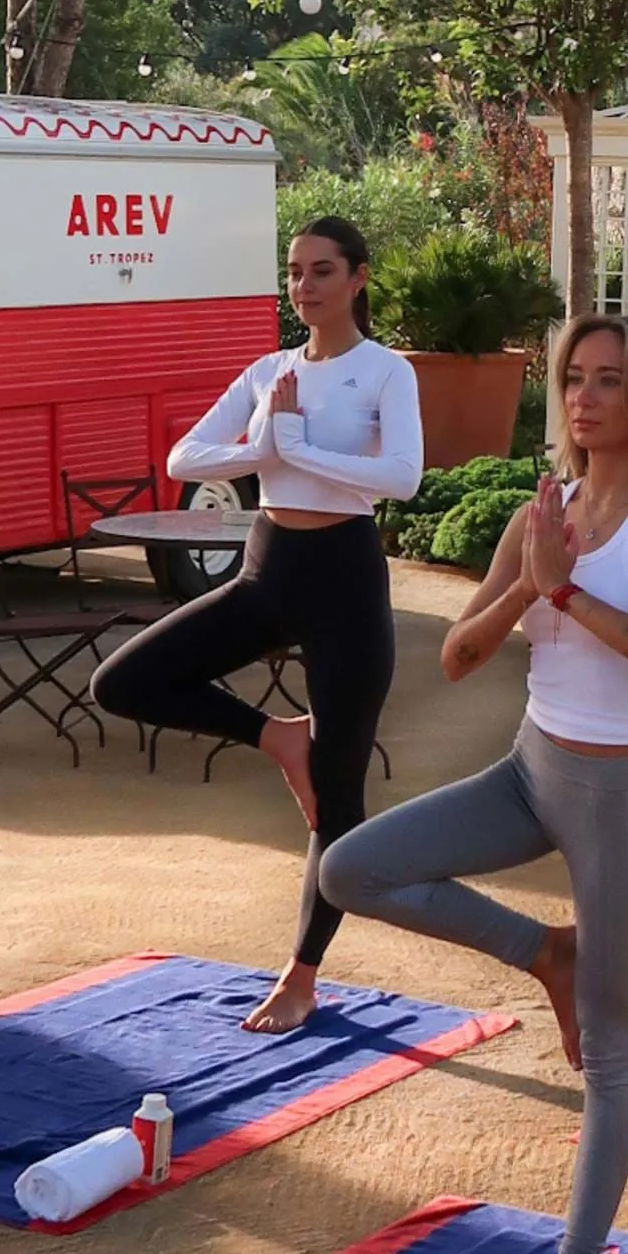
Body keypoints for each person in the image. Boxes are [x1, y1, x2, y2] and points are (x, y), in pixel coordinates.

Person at [318, 312, 628, 1254]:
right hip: (529, 771)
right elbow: (454, 655)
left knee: (614, 1059)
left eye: (607, 381)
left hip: (615, 801)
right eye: (571, 379)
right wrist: (527, 589)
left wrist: (567, 591)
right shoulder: (543, 512)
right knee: (348, 868)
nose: (582, 399)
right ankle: (543, 950)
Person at [91, 216, 423, 1034]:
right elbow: (183, 460)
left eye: (320, 271)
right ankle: (276, 737)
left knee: (338, 800)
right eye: (295, 272)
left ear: (358, 279)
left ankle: (301, 976)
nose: (303, 287)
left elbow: (403, 479)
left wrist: (297, 448)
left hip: (346, 577)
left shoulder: (386, 372)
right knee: (123, 682)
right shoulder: (269, 371)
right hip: (268, 569)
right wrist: (264, 443)